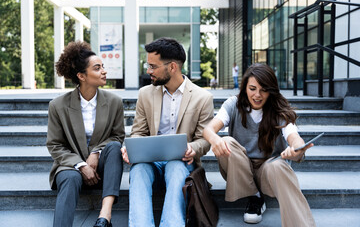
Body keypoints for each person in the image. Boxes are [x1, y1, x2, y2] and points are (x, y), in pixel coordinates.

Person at [203, 63, 316, 226]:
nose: (257, 95)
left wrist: (297, 149)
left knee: (278, 166)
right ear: (244, 88)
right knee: (226, 141)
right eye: (252, 88)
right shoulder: (233, 105)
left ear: (271, 90)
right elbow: (208, 129)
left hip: (267, 172)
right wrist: (215, 140)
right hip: (238, 169)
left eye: (264, 90)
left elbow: (294, 137)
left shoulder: (278, 110)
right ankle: (255, 197)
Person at [121, 37, 214, 227]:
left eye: (153, 66)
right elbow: (138, 132)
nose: (148, 71)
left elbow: (205, 139)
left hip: (182, 165)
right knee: (138, 170)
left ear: (172, 67)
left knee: (175, 166)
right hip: (150, 163)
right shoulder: (145, 94)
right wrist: (130, 148)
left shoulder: (203, 98)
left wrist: (192, 148)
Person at [47, 41, 125, 227]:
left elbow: (117, 136)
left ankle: (104, 217)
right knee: (71, 178)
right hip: (69, 166)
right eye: (97, 68)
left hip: (103, 167)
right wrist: (81, 165)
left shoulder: (114, 102)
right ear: (81, 75)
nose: (104, 71)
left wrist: (96, 152)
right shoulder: (58, 105)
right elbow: (55, 145)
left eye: (103, 67)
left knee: (114, 147)